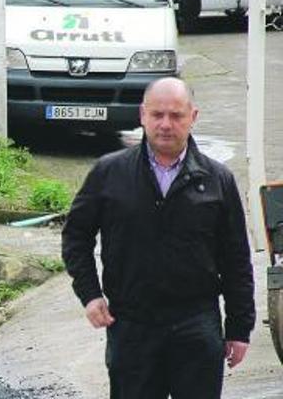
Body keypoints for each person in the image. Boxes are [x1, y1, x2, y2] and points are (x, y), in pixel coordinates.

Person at [62, 77, 255, 398]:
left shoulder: (217, 180)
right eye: (157, 115)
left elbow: (236, 258)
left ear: (193, 117)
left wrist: (239, 328)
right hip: (132, 325)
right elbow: (76, 236)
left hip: (196, 325)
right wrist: (90, 294)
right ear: (142, 115)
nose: (166, 124)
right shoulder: (109, 173)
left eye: (176, 116)